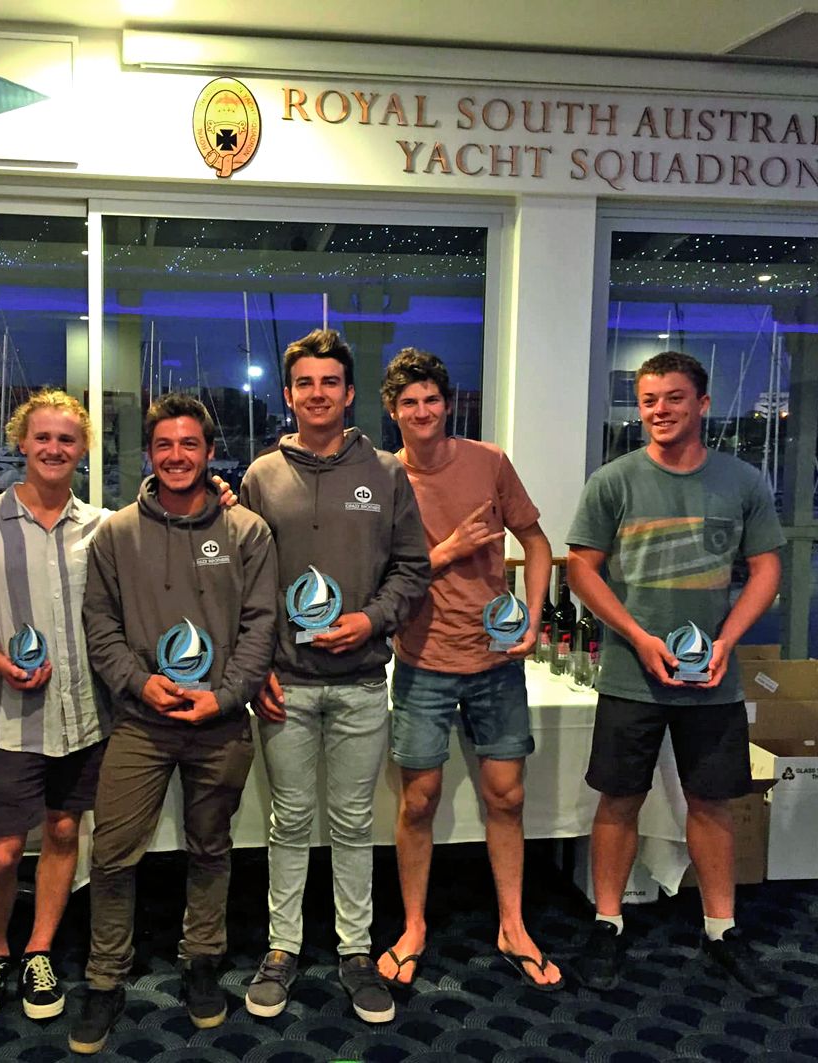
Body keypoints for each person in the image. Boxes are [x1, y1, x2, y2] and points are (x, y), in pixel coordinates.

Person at [565, 351, 783, 994]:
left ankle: (722, 929)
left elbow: (766, 569)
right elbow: (582, 567)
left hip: (714, 678)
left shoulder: (742, 482)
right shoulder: (615, 481)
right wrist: (635, 636)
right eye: (650, 400)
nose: (660, 411)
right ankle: (607, 923)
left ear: (703, 405)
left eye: (674, 398)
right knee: (619, 798)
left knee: (712, 803)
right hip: (632, 675)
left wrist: (726, 642)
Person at [69, 395, 277, 1054]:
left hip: (219, 722)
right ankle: (104, 976)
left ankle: (203, 959)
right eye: (165, 445)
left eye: (190, 444)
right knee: (111, 853)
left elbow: (261, 623)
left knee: (210, 847)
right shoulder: (117, 532)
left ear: (208, 453)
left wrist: (226, 695)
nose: (177, 455)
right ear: (149, 453)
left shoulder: (247, 532)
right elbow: (97, 622)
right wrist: (138, 680)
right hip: (140, 719)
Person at [239, 329, 431, 1024]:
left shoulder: (386, 472)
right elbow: (245, 584)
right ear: (287, 394)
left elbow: (412, 567)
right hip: (284, 682)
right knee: (287, 820)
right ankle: (281, 948)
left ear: (348, 394)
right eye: (303, 384)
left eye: (329, 383)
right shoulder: (260, 476)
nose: (316, 394)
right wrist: (255, 664)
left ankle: (355, 949)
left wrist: (370, 620)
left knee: (353, 820)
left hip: (357, 680)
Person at [374, 348, 563, 992]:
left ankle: (513, 924)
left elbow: (536, 542)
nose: (421, 411)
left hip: (494, 663)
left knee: (507, 797)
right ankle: (414, 926)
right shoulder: (383, 478)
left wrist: (534, 617)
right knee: (419, 801)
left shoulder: (489, 462)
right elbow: (380, 578)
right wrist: (449, 550)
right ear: (392, 411)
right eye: (408, 403)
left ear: (445, 403)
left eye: (430, 399)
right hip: (422, 661)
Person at [0, 390, 111, 1025]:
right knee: (5, 849)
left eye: (67, 439)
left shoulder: (103, 527)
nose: (54, 449)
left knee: (66, 831)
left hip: (85, 715)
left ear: (82, 448)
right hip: (10, 715)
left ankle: (38, 951)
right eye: (43, 438)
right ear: (22, 442)